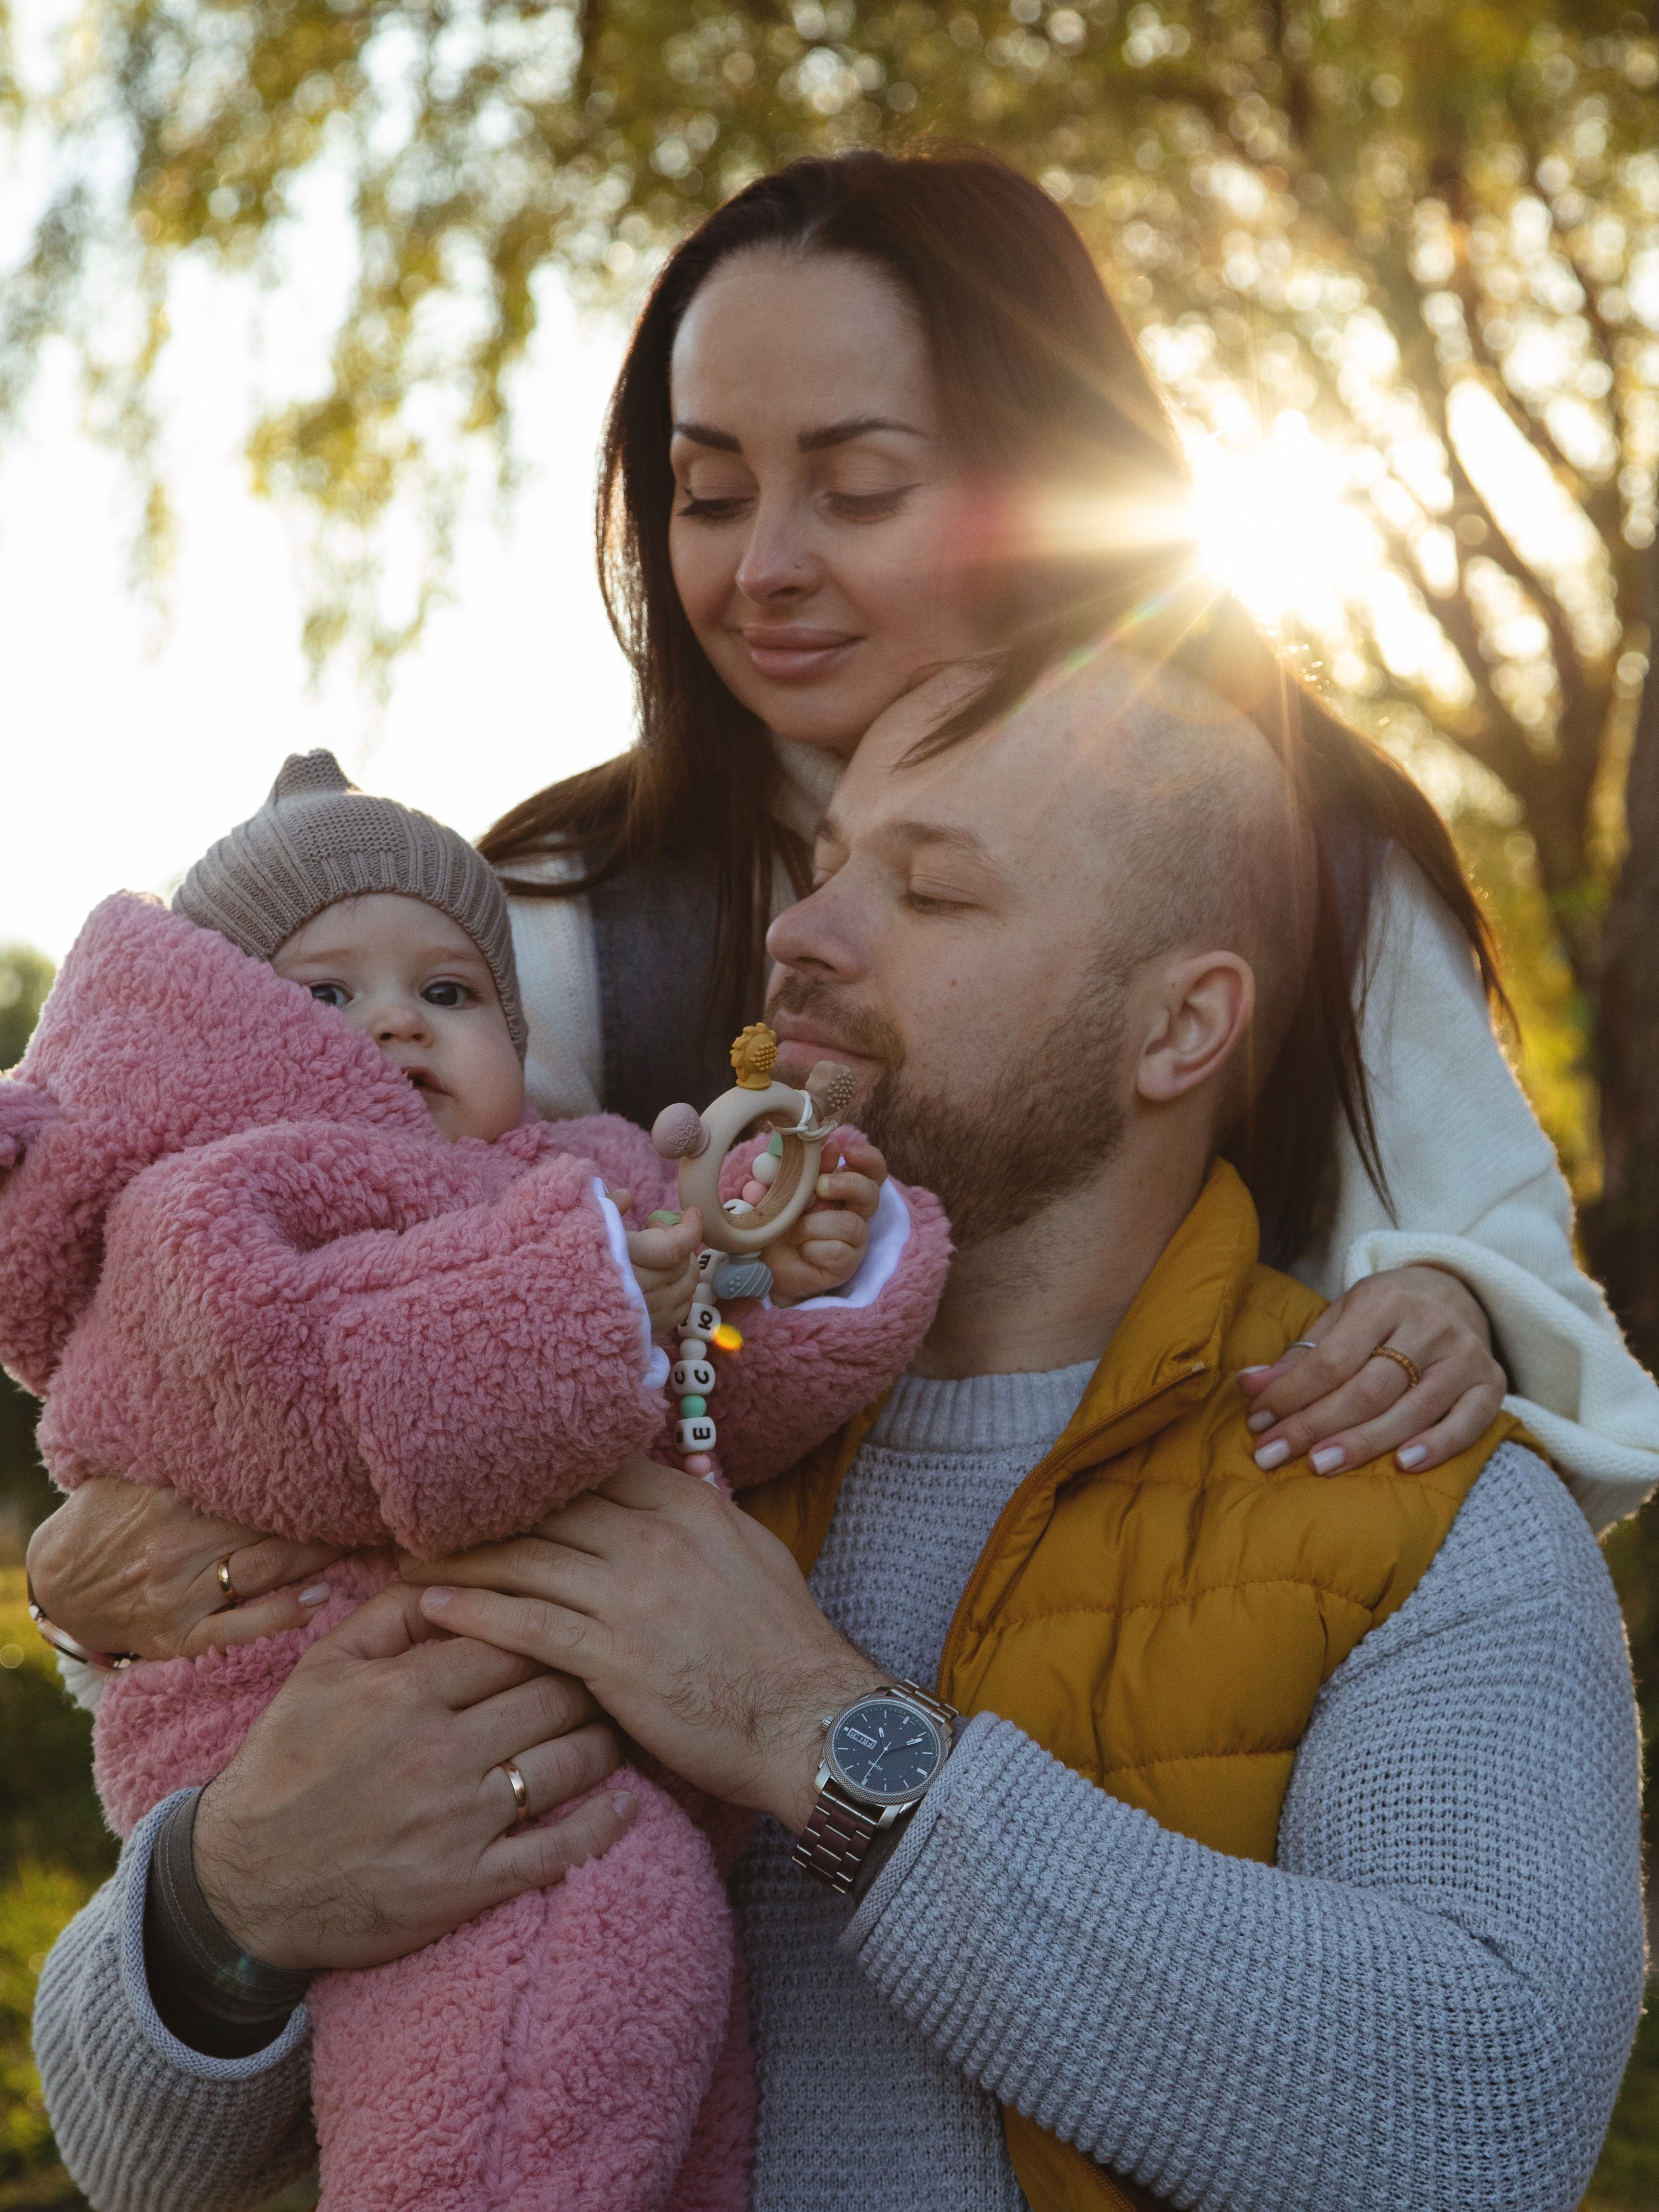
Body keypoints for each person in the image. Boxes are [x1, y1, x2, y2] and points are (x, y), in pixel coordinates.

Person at [32, 652, 1644, 2211]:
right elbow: (133, 2157)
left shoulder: (1412, 1503)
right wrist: (226, 1898)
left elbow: (1480, 2120)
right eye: (825, 867)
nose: (801, 935)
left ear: (1179, 1030)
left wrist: (818, 1735)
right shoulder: (613, 1403)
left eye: (930, 893)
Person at [29, 146, 1658, 1682]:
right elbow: (277, 1330)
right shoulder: (543, 916)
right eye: (709, 493)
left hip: (1180, 1718)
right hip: (656, 1782)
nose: (763, 568)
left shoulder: (1300, 858)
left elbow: (1502, 1268)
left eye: (859, 488)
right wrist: (87, 1575)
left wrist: (1449, 1310)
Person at [5, 752, 948, 2210]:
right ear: (224, 1029)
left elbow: (708, 1399)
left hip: (560, 1771)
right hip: (311, 1737)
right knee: (547, 2023)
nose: (396, 1019)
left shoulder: (573, 1176)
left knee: (654, 2063)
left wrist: (808, 1273)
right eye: (327, 994)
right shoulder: (201, 1209)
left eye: (449, 993)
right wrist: (602, 1296)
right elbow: (326, 1393)